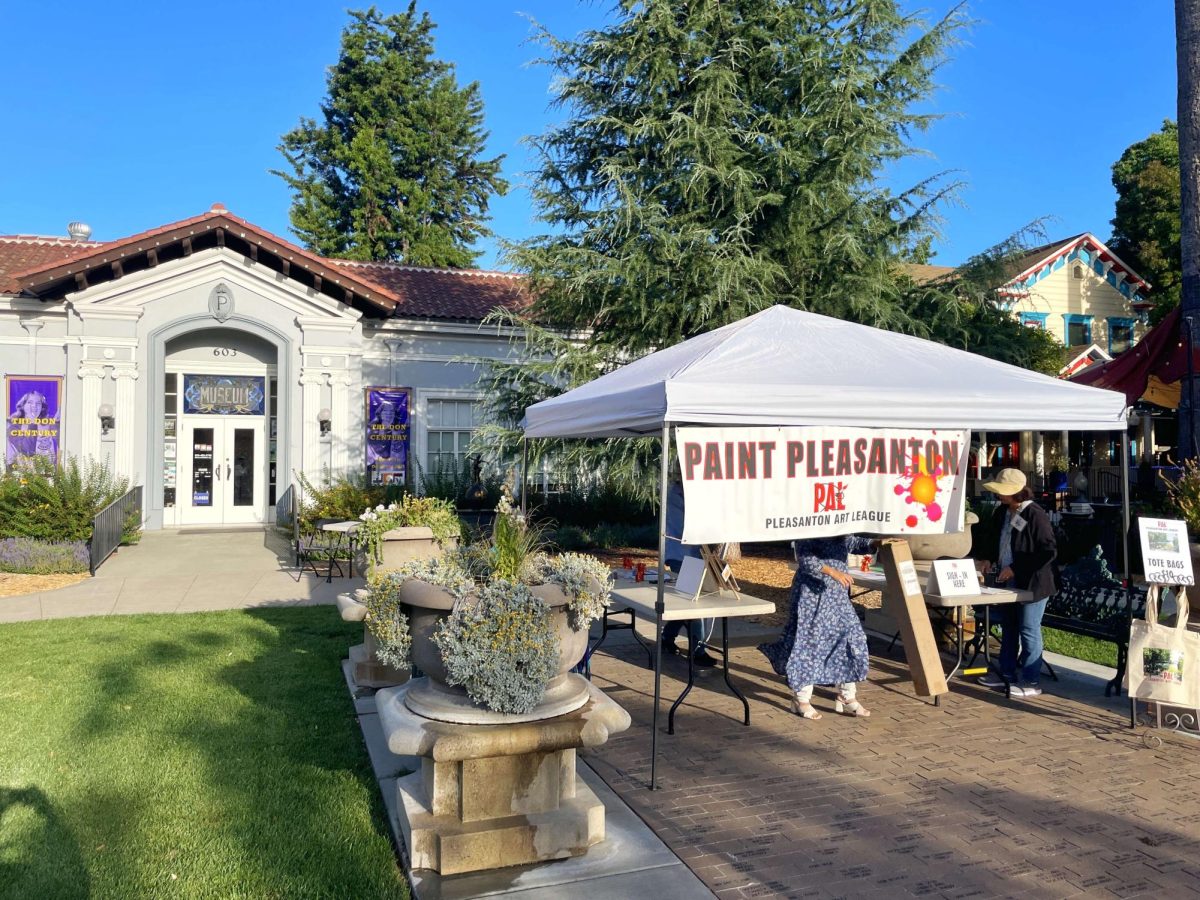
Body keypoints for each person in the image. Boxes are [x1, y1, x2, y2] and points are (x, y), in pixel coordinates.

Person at [759, 535, 875, 719]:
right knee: (809, 643)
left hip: (837, 594)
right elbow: (805, 558)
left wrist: (875, 543)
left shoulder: (840, 524)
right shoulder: (809, 525)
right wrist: (832, 572)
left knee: (852, 637)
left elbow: (853, 542)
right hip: (811, 594)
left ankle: (846, 694)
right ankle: (801, 699)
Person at [974, 468, 1059, 698]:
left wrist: (1016, 568)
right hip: (1008, 582)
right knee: (1009, 627)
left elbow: (1048, 551)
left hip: (1033, 583)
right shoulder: (1003, 512)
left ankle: (1031, 679)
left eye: (1004, 492)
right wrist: (988, 559)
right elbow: (993, 539)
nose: (1000, 496)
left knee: (1029, 629)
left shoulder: (1035, 514)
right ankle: (1006, 673)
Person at [662, 475, 719, 667]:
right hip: (682, 553)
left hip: (691, 553)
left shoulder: (688, 493)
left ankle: (667, 637)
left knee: (688, 599)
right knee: (695, 602)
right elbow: (685, 527)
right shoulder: (677, 495)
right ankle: (698, 650)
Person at [7, 390, 56, 467]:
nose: (34, 406)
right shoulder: (14, 427)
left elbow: (52, 457)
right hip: (20, 475)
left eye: (38, 403)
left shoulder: (48, 425)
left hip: (44, 474)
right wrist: (33, 424)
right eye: (30, 402)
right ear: (23, 406)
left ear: (42, 408)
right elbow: (27, 450)